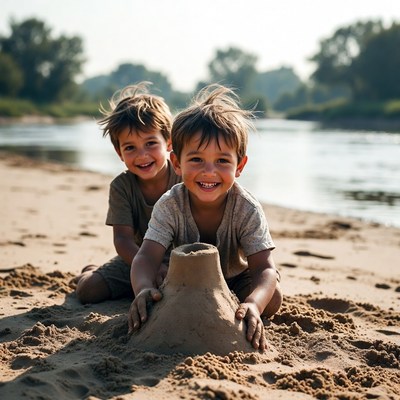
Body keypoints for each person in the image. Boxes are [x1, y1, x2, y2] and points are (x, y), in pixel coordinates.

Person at [128, 84, 282, 351]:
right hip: (185, 279)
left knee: (274, 298)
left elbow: (265, 268)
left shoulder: (246, 208)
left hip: (235, 279)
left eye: (222, 161)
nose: (209, 172)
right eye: (197, 159)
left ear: (240, 166)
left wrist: (254, 304)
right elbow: (146, 257)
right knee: (150, 285)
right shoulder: (170, 204)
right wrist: (141, 288)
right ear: (176, 163)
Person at [74, 82, 181, 304]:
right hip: (139, 257)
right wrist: (151, 267)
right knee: (88, 291)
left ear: (168, 143)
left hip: (183, 258)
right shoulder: (121, 187)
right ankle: (89, 271)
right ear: (119, 152)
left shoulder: (184, 178)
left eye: (151, 143)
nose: (142, 155)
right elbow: (122, 239)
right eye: (130, 147)